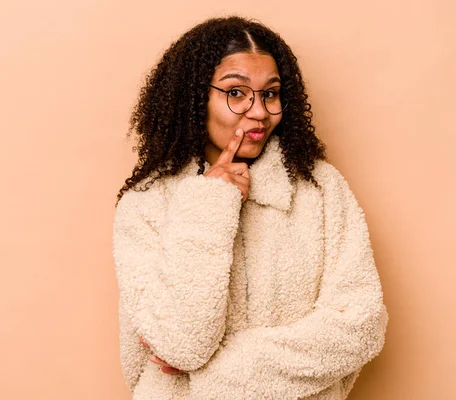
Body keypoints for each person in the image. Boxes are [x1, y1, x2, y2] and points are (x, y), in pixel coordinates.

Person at [112, 16, 388, 400]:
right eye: (236, 93)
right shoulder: (146, 205)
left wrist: (212, 376)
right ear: (195, 99)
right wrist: (210, 204)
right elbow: (181, 343)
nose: (259, 111)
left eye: (270, 93)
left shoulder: (320, 189)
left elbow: (359, 327)